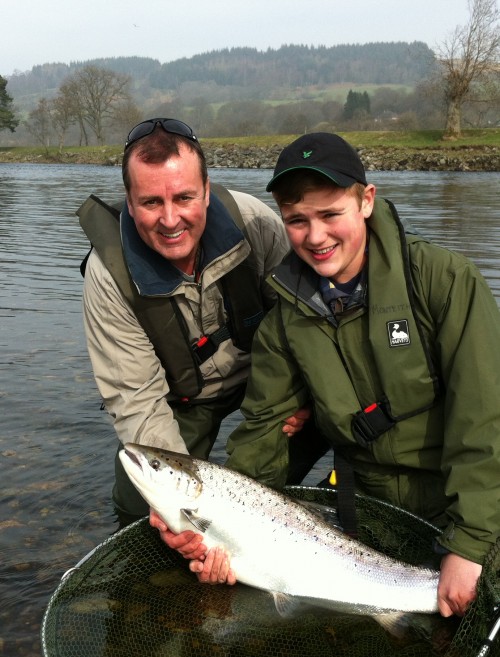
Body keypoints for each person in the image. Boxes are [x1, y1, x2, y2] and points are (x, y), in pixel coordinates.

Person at [157, 132, 500, 619]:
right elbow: (262, 432)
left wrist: (468, 546)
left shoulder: (445, 282)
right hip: (368, 511)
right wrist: (222, 533)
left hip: (461, 500)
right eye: (297, 221)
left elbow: (484, 423)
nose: (315, 237)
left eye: (330, 214)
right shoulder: (282, 322)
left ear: (366, 201)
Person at [79, 118, 328, 525]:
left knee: (267, 474)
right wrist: (173, 505)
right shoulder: (107, 276)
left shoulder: (253, 223)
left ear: (207, 192)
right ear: (129, 200)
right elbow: (136, 399)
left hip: (264, 380)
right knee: (140, 507)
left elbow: (305, 322)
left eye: (184, 198)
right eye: (151, 203)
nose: (171, 219)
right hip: (183, 398)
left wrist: (302, 395)